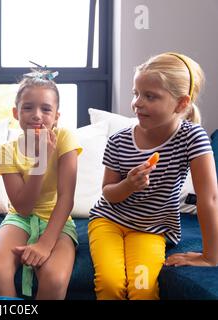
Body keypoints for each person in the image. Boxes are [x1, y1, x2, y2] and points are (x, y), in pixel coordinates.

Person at [88, 52, 218, 300]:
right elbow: (108, 193)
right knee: (111, 284)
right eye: (136, 93)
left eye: (150, 96)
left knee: (142, 289)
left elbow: (209, 198)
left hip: (151, 230)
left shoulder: (192, 137)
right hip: (108, 222)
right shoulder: (119, 141)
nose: (137, 102)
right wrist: (128, 185)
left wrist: (210, 256)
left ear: (181, 104)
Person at [0, 70, 82, 299]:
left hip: (56, 219)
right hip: (19, 219)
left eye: (46, 109)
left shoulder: (64, 138)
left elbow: (67, 197)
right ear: (16, 113)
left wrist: (46, 243)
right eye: (28, 108)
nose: (36, 115)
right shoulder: (7, 151)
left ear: (56, 116)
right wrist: (41, 162)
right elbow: (23, 208)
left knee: (55, 279)